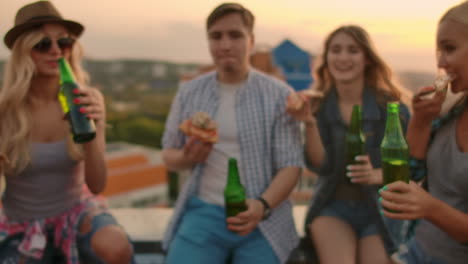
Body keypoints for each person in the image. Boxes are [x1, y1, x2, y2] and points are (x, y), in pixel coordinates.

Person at [161, 3, 303, 264]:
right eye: (216, 36)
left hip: (264, 218)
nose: (225, 45)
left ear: (251, 41)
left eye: (235, 35)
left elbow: (291, 165)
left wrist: (261, 206)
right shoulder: (190, 92)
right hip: (205, 213)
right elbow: (168, 154)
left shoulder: (278, 94)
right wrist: (187, 157)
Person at [0, 1, 134, 263]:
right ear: (24, 51)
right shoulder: (6, 111)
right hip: (21, 221)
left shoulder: (87, 99)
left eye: (64, 43)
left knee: (116, 246)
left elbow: (97, 185)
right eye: (42, 44)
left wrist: (94, 127)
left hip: (75, 212)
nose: (55, 52)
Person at [287, 25, 411, 264]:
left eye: (352, 50)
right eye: (336, 50)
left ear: (367, 59)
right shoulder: (320, 105)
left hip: (381, 209)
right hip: (333, 206)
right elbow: (319, 166)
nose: (343, 57)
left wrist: (376, 174)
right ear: (327, 59)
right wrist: (310, 124)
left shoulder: (392, 109)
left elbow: (414, 167)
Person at [380, 2, 468, 263]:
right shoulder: (450, 112)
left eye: (449, 48)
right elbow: (411, 174)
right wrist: (419, 121)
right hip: (416, 252)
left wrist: (431, 208)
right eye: (438, 51)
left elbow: (426, 203)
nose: (440, 62)